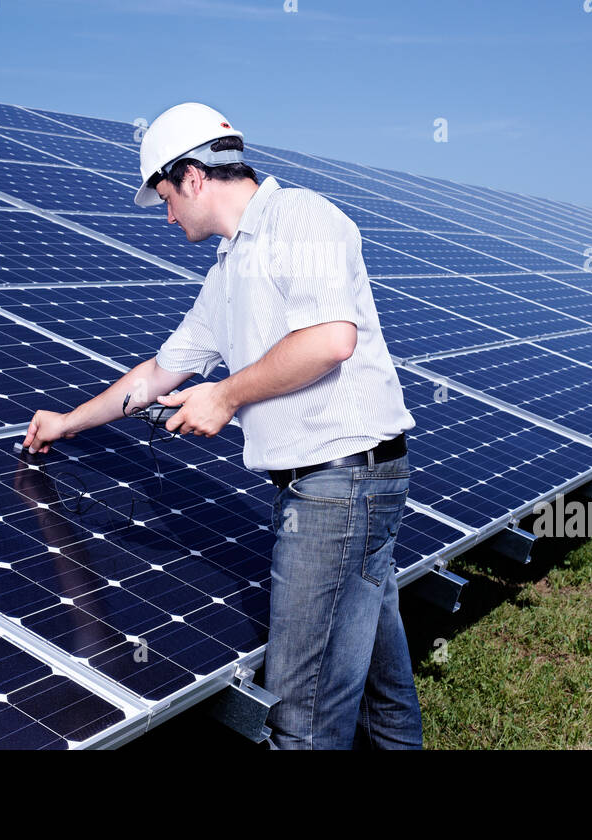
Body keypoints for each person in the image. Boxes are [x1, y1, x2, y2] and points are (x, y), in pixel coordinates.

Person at [23, 101, 421, 749]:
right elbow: (156, 375)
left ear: (194, 177)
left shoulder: (304, 219)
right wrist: (66, 423)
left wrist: (227, 396)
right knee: (383, 695)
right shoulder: (229, 273)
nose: (167, 214)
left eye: (164, 197)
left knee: (304, 716)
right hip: (344, 490)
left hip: (337, 488)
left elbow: (331, 340)